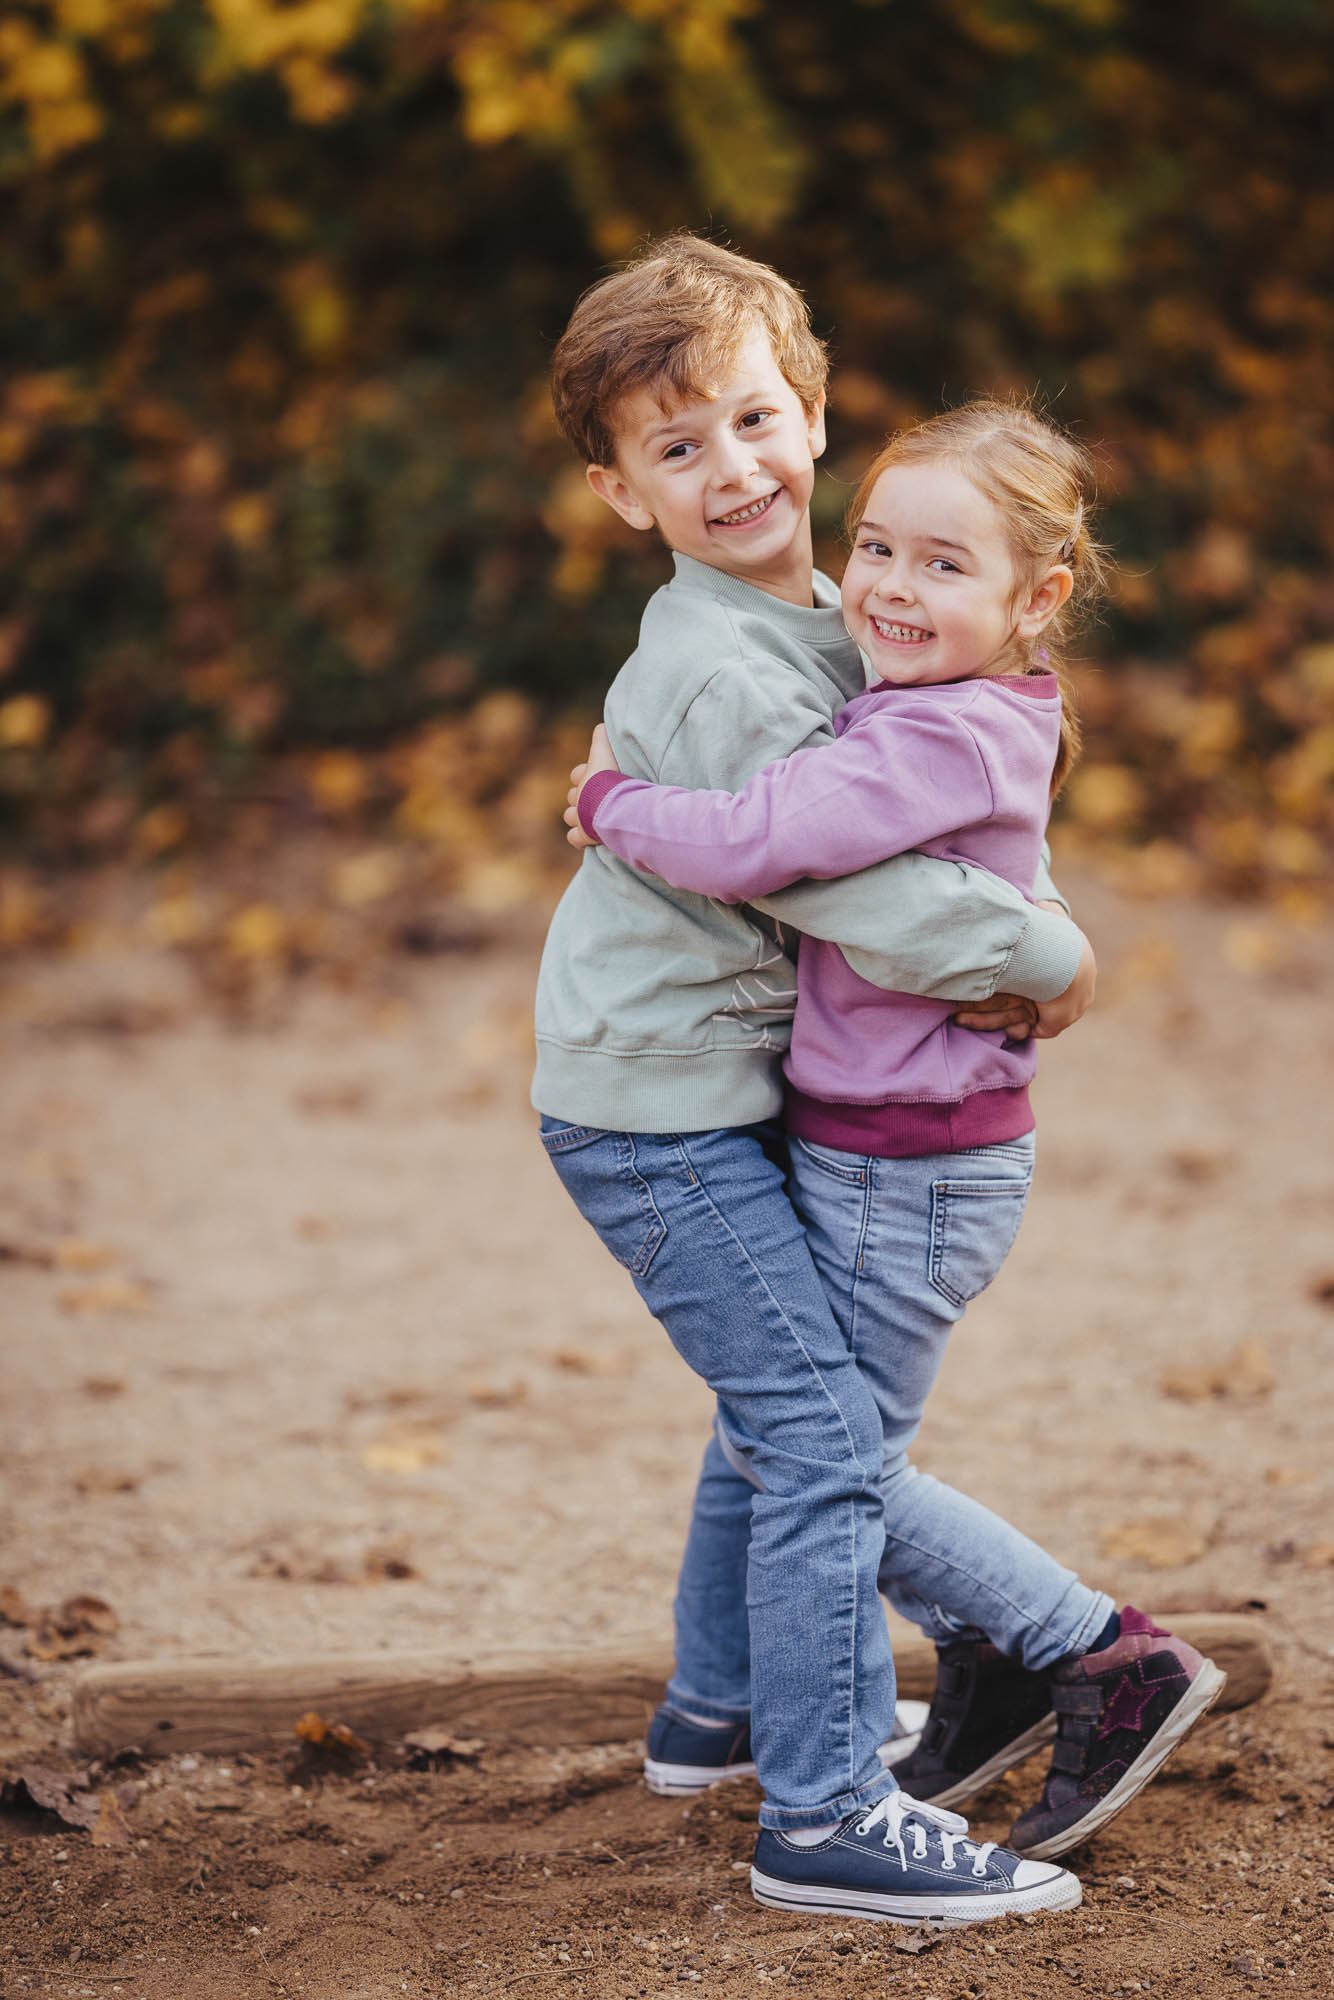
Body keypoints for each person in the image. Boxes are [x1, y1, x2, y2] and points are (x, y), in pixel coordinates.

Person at [565, 398, 1226, 1883]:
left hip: (909, 1166)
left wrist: (611, 801)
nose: (885, 587)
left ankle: (1099, 1658)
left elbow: (753, 840)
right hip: (882, 1141)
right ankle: (844, 1691)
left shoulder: (930, 735)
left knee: (823, 1454)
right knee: (799, 1429)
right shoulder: (934, 702)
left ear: (1034, 600)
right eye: (873, 546)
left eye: (941, 564)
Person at [534, 233, 1098, 1926]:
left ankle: (719, 1716)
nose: (732, 470)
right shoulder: (716, 669)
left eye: (755, 420)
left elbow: (942, 808)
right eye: (675, 446)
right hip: (657, 1109)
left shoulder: (833, 619)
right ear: (619, 490)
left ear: (815, 409)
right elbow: (839, 880)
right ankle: (830, 1806)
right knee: (815, 1432)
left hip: (711, 1085)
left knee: (770, 1415)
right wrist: (1049, 963)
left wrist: (1027, 918)